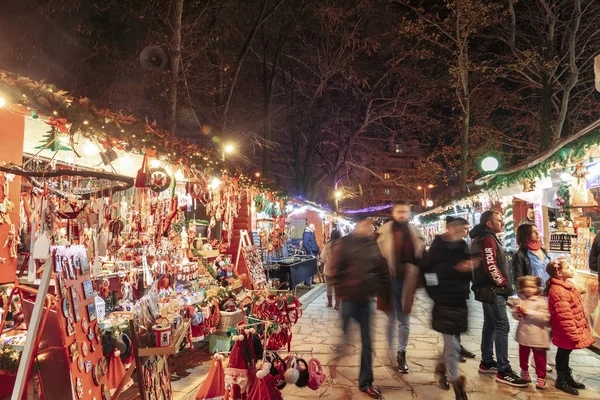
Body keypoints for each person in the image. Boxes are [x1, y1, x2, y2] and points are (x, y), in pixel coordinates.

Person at [331, 217, 390, 399]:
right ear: (358, 224)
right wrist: (342, 292)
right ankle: (336, 359)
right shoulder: (345, 243)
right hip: (349, 299)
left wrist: (385, 292)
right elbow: (336, 270)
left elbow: (381, 269)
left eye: (371, 225)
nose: (370, 228)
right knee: (346, 338)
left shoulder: (372, 244)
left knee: (367, 343)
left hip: (365, 300)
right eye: (367, 224)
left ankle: (366, 382)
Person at [470, 210, 528, 387]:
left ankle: (487, 361)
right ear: (489, 223)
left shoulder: (486, 237)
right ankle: (504, 370)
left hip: (488, 289)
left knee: (490, 324)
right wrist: (502, 282)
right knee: (502, 325)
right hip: (492, 290)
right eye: (499, 220)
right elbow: (490, 263)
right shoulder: (487, 239)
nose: (502, 222)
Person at [422, 217, 475, 400]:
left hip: (460, 299)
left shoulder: (462, 246)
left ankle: (441, 367)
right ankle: (456, 383)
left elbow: (467, 271)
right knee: (452, 344)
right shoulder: (437, 247)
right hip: (443, 299)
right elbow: (428, 272)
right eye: (463, 228)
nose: (466, 232)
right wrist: (435, 294)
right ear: (451, 228)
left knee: (453, 342)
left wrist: (469, 269)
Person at [377, 200, 425, 374]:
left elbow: (420, 259)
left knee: (404, 320)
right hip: (388, 283)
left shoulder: (415, 234)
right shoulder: (382, 233)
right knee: (390, 320)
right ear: (393, 213)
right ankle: (390, 351)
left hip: (406, 282)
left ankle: (401, 353)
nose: (402, 215)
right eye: (399, 211)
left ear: (409, 213)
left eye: (405, 211)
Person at [545, 259, 595, 395]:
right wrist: (572, 332)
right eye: (569, 267)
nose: (572, 268)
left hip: (568, 329)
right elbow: (564, 315)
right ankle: (561, 379)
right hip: (565, 330)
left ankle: (566, 376)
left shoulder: (566, 285)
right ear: (559, 273)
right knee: (563, 352)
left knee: (565, 352)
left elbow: (581, 291)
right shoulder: (559, 290)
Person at [511, 276, 551, 389]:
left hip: (538, 335)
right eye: (526, 286)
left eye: (532, 287)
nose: (529, 289)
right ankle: (524, 371)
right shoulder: (519, 299)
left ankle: (541, 377)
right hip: (524, 334)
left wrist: (528, 311)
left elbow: (545, 317)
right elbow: (515, 316)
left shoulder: (541, 301)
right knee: (523, 355)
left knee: (540, 357)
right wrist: (517, 312)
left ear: (537, 287)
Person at [321, 229, 342, 309]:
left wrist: (327, 261)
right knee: (338, 287)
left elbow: (322, 257)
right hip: (339, 269)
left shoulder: (328, 245)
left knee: (329, 287)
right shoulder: (342, 245)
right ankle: (337, 304)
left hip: (328, 269)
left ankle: (330, 303)